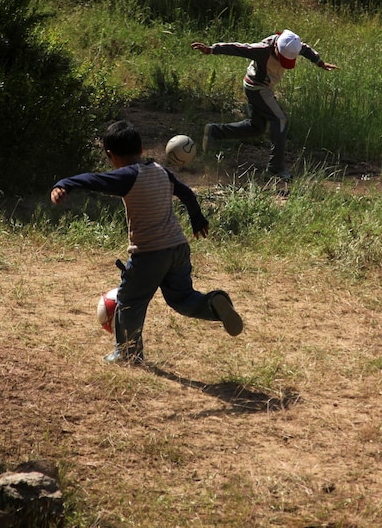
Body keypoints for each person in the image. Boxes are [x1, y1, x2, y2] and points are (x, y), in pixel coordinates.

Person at [50, 120, 243, 364]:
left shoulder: (126, 177)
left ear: (111, 156)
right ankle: (213, 304)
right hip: (178, 248)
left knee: (130, 301)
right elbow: (186, 193)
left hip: (150, 253)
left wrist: (64, 184)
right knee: (182, 299)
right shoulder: (161, 171)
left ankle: (127, 354)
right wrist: (197, 219)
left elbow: (93, 179)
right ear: (142, 150)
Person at [192, 29, 339, 180]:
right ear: (277, 48)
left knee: (256, 127)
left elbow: (305, 48)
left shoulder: (291, 43)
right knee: (280, 120)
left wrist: (319, 62)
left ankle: (214, 131)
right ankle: (275, 168)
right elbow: (238, 48)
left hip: (262, 87)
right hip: (257, 87)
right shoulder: (262, 50)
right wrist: (211, 49)